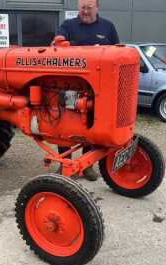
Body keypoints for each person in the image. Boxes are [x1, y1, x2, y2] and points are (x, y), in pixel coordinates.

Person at [56, 0, 120, 181]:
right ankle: (65, 163)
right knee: (64, 124)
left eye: (89, 8)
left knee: (94, 125)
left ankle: (88, 165)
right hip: (71, 86)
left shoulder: (108, 27)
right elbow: (57, 46)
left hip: (98, 89)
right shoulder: (68, 26)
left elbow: (117, 52)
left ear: (97, 8)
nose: (85, 11)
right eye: (82, 7)